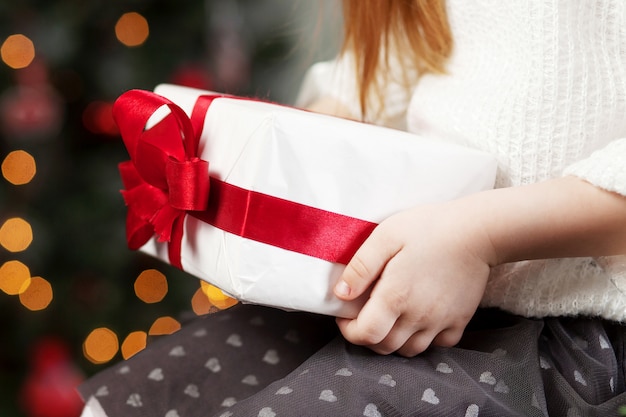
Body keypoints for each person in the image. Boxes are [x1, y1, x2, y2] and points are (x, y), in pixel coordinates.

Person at [79, 0, 626, 415]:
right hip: (396, 287)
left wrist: (477, 235)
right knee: (137, 398)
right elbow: (388, 66)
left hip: (576, 328)